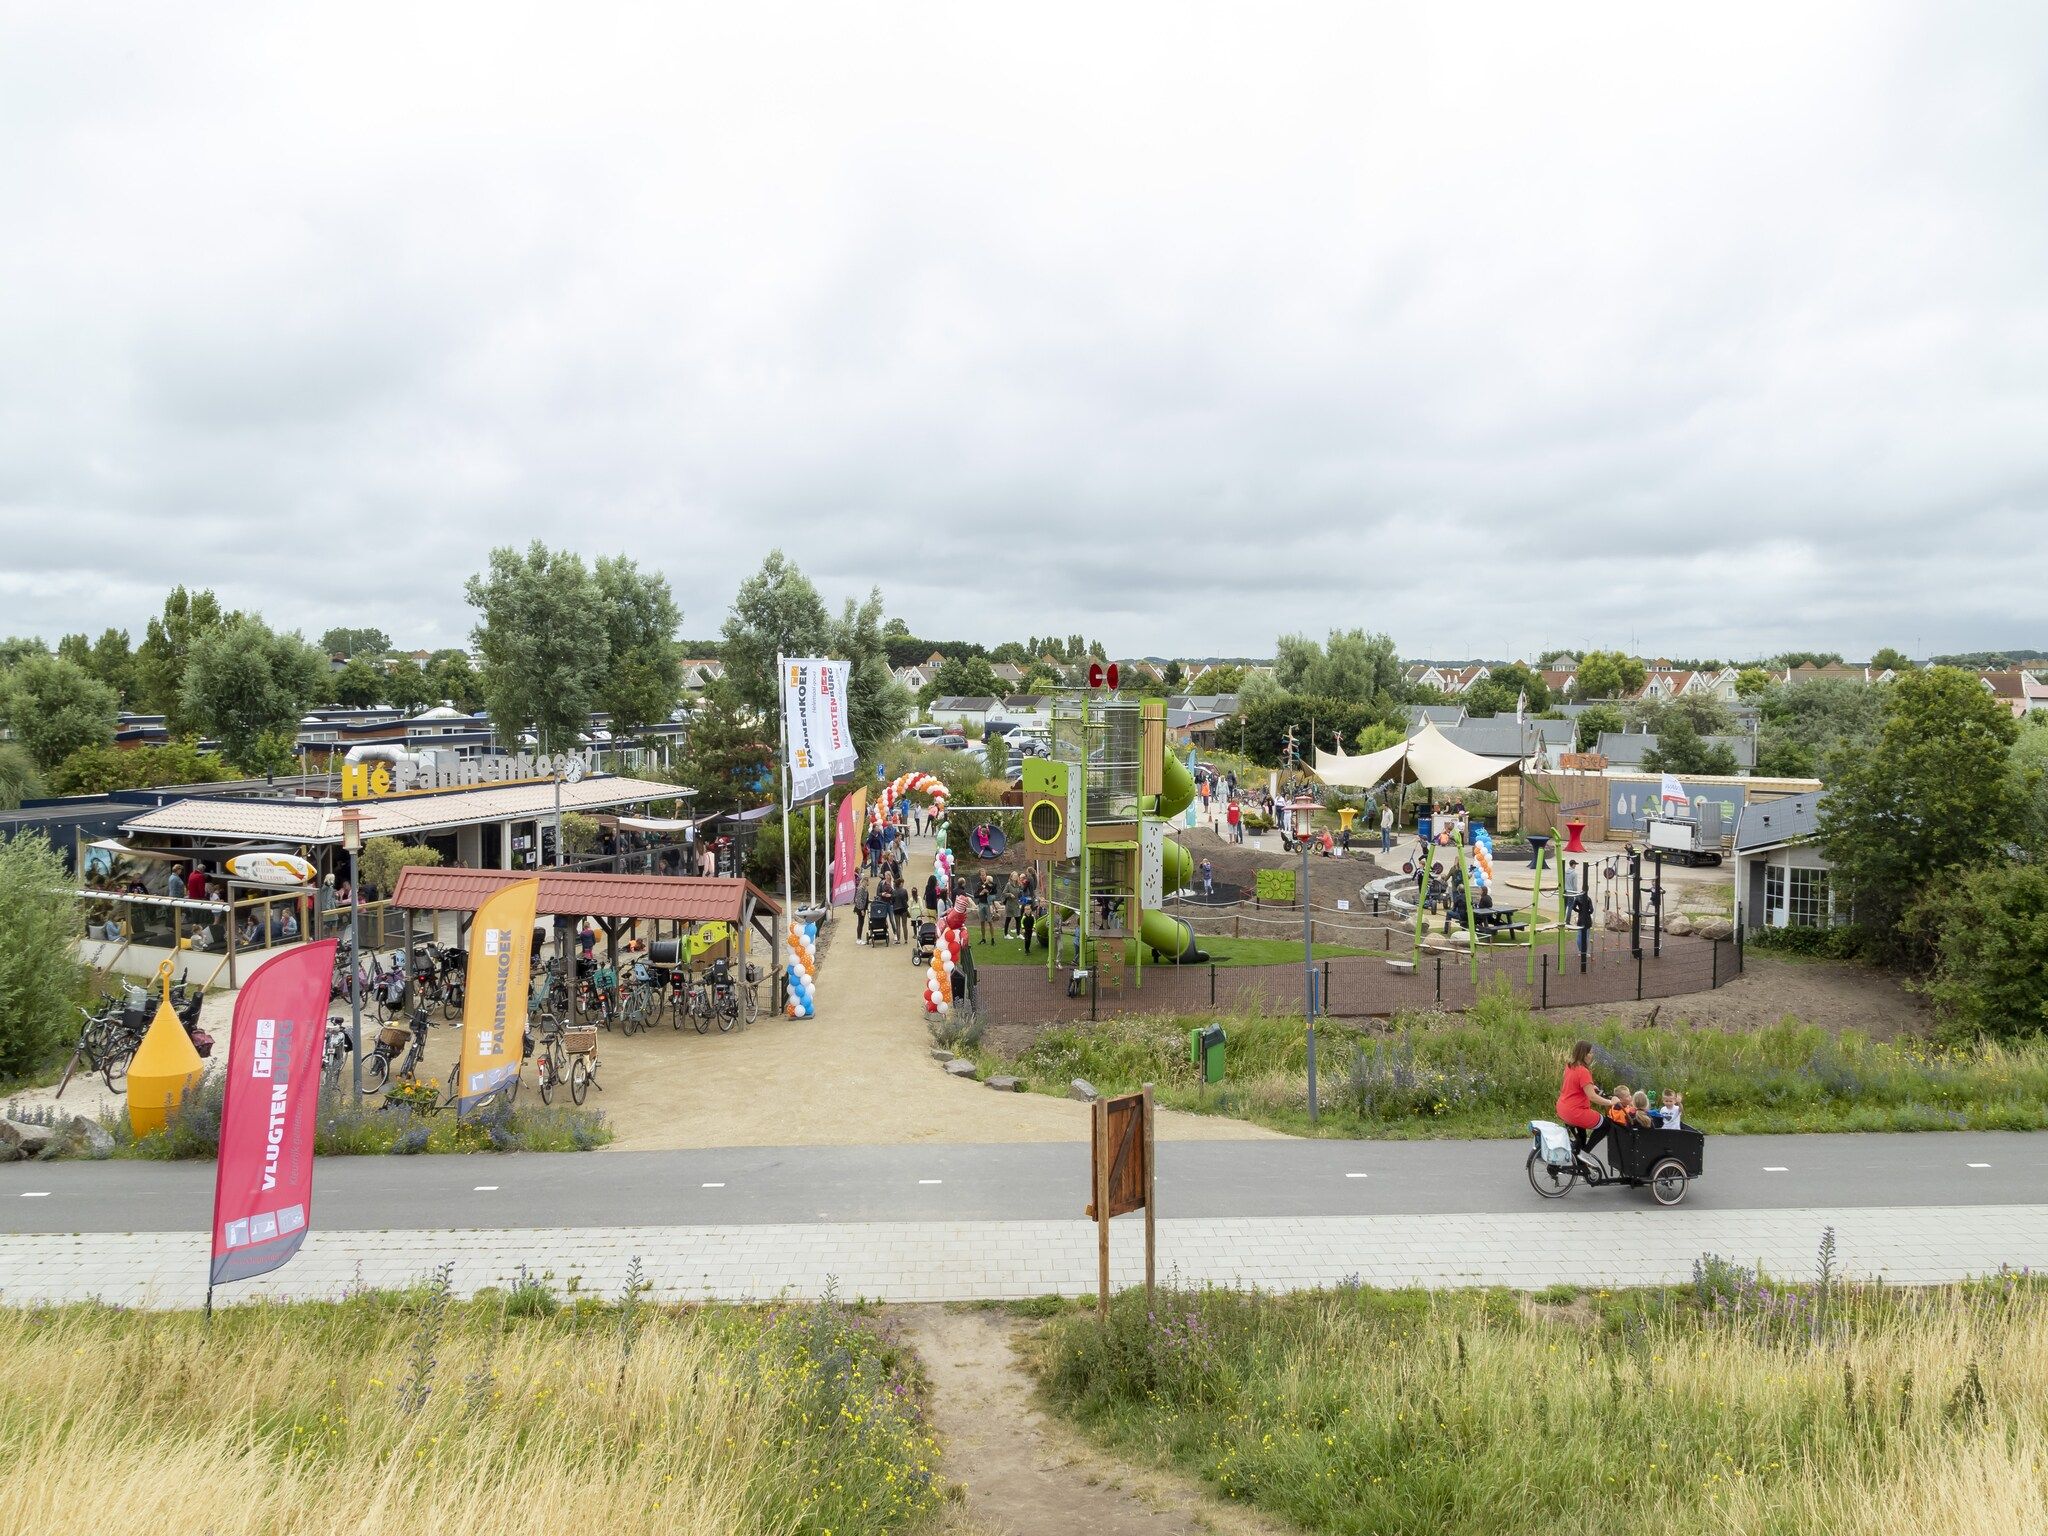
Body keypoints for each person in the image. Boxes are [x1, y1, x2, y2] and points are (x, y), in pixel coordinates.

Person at [1556, 1040, 1620, 1159]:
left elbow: (1574, 1085)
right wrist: (1610, 1102)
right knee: (1606, 1125)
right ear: (1583, 1054)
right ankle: (1584, 1154)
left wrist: (1590, 1086)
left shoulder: (1570, 1066)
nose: (1592, 1055)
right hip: (1576, 1112)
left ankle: (1580, 1161)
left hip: (1563, 1109)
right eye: (1590, 1053)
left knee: (1582, 1134)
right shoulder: (1583, 1071)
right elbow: (1592, 1097)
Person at [1571, 884, 1594, 964]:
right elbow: (1591, 910)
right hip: (1587, 918)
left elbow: (1573, 907)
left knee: (1579, 934)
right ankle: (1585, 951)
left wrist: (1579, 911)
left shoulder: (1577, 898)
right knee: (1586, 936)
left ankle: (1580, 950)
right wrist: (1587, 912)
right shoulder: (1588, 898)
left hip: (1580, 917)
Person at [890, 876, 910, 941]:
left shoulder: (893, 891)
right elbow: (906, 899)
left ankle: (898, 940)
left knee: (898, 925)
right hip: (903, 908)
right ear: (900, 883)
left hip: (896, 909)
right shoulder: (904, 891)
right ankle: (906, 939)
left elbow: (892, 901)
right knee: (904, 925)